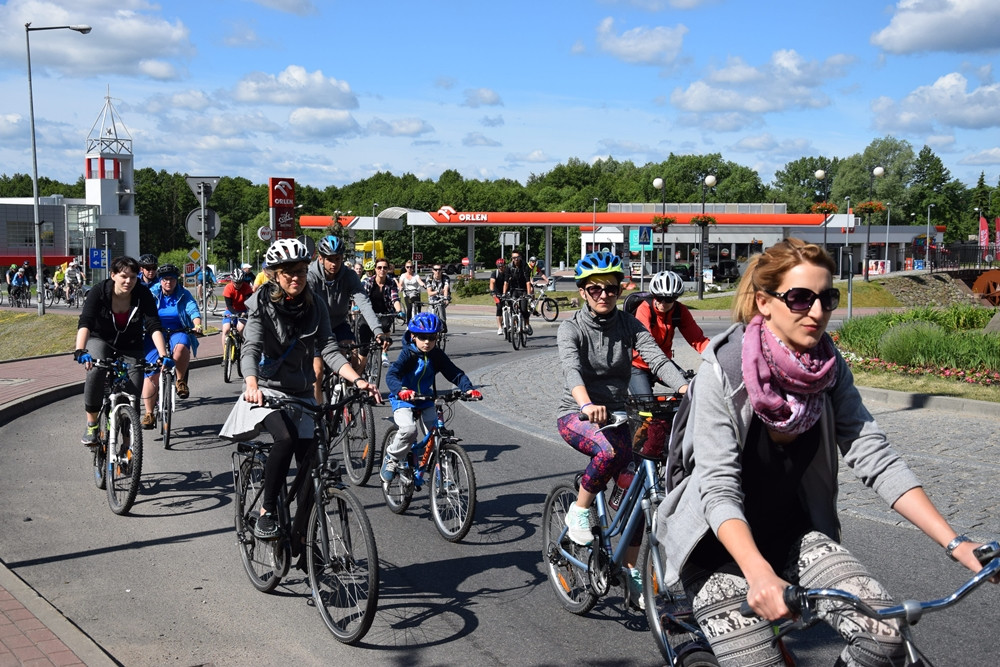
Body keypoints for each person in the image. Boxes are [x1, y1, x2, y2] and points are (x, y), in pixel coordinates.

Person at [657, 238, 995, 666]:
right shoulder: (722, 371)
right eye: (800, 298)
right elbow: (717, 486)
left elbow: (874, 455)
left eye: (827, 298)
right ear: (764, 302)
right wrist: (758, 574)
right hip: (717, 551)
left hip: (791, 535)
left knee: (885, 636)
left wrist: (957, 544)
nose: (817, 312)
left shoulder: (827, 368)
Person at [557, 251, 690, 608]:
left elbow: (657, 359)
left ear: (619, 290)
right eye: (595, 289)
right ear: (583, 291)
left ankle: (631, 572)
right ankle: (579, 511)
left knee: (638, 491)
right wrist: (586, 404)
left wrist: (686, 388)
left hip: (619, 414)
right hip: (578, 414)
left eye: (611, 289)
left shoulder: (630, 325)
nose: (604, 295)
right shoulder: (571, 328)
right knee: (609, 452)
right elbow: (571, 370)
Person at [219, 238, 378, 539]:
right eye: (289, 272)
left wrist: (356, 379)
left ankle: (302, 542)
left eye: (302, 271)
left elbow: (329, 348)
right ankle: (267, 511)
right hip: (267, 390)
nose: (297, 278)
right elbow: (251, 347)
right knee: (286, 438)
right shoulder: (262, 303)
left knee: (312, 466)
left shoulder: (315, 304)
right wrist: (251, 383)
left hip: (302, 392)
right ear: (275, 275)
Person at [74, 256, 171, 445]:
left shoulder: (142, 294)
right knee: (95, 370)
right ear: (113, 275)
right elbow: (86, 321)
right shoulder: (99, 292)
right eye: (124, 276)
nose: (128, 281)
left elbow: (153, 325)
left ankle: (128, 443)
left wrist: (163, 354)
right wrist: (80, 350)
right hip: (100, 339)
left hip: (131, 344)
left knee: (132, 393)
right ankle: (92, 424)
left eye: (133, 277)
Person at [382, 312, 481, 483]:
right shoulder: (408, 354)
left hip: (425, 399)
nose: (427, 342)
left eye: (432, 337)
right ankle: (391, 457)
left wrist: (469, 389)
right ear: (413, 336)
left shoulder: (436, 355)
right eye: (422, 337)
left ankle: (444, 477)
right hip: (403, 399)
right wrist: (401, 390)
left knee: (437, 435)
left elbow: (454, 373)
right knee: (409, 430)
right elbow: (392, 375)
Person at [306, 234, 386, 399]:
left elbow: (364, 303)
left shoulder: (349, 275)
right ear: (320, 258)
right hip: (316, 327)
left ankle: (346, 398)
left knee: (352, 360)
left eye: (338, 259)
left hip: (339, 324)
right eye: (330, 259)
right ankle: (318, 413)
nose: (334, 264)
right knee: (317, 372)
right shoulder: (311, 276)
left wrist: (378, 331)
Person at [140, 264, 203, 426]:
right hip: (154, 333)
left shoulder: (183, 293)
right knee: (151, 372)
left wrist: (197, 324)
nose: (168, 282)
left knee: (181, 347)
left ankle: (180, 381)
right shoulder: (151, 293)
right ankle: (149, 413)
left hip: (178, 330)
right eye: (165, 279)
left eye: (172, 279)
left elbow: (193, 310)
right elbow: (141, 311)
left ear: (176, 280)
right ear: (160, 280)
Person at [629, 270, 710, 396]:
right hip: (638, 365)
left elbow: (699, 340)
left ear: (676, 298)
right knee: (646, 404)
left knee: (691, 392)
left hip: (664, 363)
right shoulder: (644, 309)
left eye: (668, 299)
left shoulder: (680, 311)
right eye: (659, 297)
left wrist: (717, 357)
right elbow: (646, 346)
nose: (663, 303)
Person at [359, 257, 404, 369]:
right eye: (379, 267)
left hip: (385, 313)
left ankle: (384, 352)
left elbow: (395, 298)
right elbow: (362, 297)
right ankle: (359, 371)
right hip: (368, 314)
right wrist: (357, 306)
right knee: (364, 346)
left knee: (385, 328)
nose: (382, 270)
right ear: (375, 269)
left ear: (388, 269)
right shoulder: (368, 282)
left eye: (385, 268)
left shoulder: (391, 282)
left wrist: (399, 311)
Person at [502, 251, 535, 335]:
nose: (515, 259)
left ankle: (527, 325)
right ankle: (515, 324)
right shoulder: (509, 267)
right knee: (512, 308)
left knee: (524, 309)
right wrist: (504, 293)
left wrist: (529, 294)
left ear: (520, 257)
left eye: (517, 257)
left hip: (523, 289)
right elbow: (506, 282)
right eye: (513, 258)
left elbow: (528, 282)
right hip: (513, 290)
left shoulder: (525, 266)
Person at [221, 268, 254, 343]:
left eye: (240, 283)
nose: (238, 285)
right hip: (231, 310)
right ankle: (225, 350)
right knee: (226, 329)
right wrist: (235, 313)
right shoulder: (228, 288)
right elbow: (229, 305)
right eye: (236, 283)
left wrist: (247, 312)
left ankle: (245, 344)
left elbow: (248, 303)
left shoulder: (246, 287)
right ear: (232, 281)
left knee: (240, 328)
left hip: (243, 310)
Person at [489, 258, 507, 335]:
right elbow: (492, 283)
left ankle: (514, 323)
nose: (501, 268)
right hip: (498, 292)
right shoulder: (495, 273)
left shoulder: (507, 273)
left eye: (502, 266)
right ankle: (500, 327)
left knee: (513, 306)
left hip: (507, 291)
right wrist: (493, 292)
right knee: (499, 307)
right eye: (499, 266)